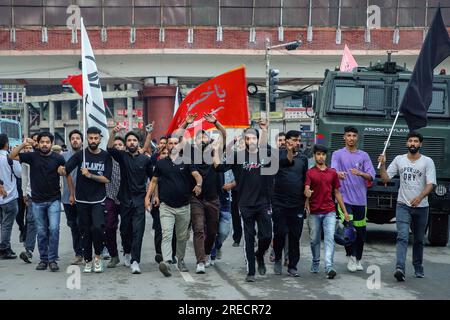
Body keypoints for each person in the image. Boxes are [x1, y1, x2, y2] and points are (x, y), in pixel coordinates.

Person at [212, 122, 292, 282]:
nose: (251, 141)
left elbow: (287, 161)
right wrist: (215, 150)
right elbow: (218, 167)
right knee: (249, 238)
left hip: (264, 204)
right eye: (247, 138)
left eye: (253, 138)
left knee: (267, 236)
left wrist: (289, 150)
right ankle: (251, 271)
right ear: (245, 140)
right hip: (245, 204)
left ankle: (259, 255)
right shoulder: (238, 156)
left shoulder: (268, 154)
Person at [378, 132, 436, 281]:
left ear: (420, 144)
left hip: (422, 207)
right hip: (403, 205)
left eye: (416, 141)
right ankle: (400, 268)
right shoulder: (399, 159)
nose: (413, 143)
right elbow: (385, 178)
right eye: (410, 141)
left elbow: (431, 184)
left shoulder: (427, 161)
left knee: (418, 240)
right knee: (402, 237)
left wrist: (420, 197)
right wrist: (382, 164)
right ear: (406, 143)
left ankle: (418, 267)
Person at [145, 134, 203, 277]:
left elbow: (197, 175)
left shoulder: (187, 161)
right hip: (166, 206)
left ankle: (180, 260)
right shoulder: (161, 163)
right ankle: (167, 262)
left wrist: (199, 184)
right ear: (167, 146)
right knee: (167, 234)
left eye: (175, 143)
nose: (172, 145)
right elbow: (153, 181)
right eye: (170, 143)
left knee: (182, 236)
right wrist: (148, 197)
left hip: (184, 206)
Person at [178, 113, 226, 274]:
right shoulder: (190, 152)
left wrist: (216, 122)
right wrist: (186, 123)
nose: (202, 140)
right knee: (198, 228)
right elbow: (179, 137)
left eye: (204, 137)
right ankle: (200, 261)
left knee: (212, 231)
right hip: (196, 198)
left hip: (213, 198)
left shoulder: (216, 152)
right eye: (199, 138)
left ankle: (206, 252)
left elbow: (224, 134)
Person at [10, 132, 65, 272]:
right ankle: (43, 260)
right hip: (37, 201)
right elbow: (12, 156)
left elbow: (66, 172)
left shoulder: (58, 158)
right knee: (41, 232)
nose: (45, 144)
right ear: (38, 143)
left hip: (54, 200)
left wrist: (63, 174)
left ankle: (52, 260)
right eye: (42, 142)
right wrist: (24, 144)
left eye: (47, 142)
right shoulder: (32, 156)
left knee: (53, 229)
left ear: (51, 144)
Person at [62, 127, 112, 273]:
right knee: (84, 231)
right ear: (87, 139)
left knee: (97, 228)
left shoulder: (105, 156)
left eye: (96, 138)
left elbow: (107, 179)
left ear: (100, 139)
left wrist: (90, 175)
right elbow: (66, 170)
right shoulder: (80, 155)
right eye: (90, 138)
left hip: (98, 198)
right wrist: (61, 170)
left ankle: (98, 257)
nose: (93, 141)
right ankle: (88, 259)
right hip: (82, 199)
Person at [107, 125, 153, 274]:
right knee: (125, 230)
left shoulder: (145, 160)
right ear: (126, 144)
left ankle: (135, 261)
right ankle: (126, 252)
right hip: (125, 200)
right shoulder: (122, 157)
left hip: (140, 200)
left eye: (134, 140)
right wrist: (113, 133)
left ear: (138, 143)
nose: (132, 142)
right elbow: (109, 149)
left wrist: (152, 197)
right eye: (129, 140)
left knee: (138, 231)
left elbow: (153, 179)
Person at [331, 126, 375, 272]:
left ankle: (358, 259)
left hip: (361, 201)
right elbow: (333, 170)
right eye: (348, 135)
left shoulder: (364, 156)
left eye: (354, 136)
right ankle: (350, 257)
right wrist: (338, 174)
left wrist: (360, 173)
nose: (351, 138)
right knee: (349, 230)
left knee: (360, 232)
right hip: (344, 200)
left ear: (357, 138)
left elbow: (371, 176)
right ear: (344, 137)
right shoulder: (337, 154)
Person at [305, 144, 349, 279]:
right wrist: (307, 193)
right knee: (314, 240)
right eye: (318, 154)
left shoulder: (332, 173)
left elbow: (337, 192)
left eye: (323, 154)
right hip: (314, 212)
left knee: (329, 239)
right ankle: (315, 261)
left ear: (326, 156)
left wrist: (345, 211)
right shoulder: (310, 172)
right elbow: (306, 188)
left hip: (329, 211)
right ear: (314, 156)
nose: (321, 157)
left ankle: (329, 266)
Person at [272, 130, 308, 277]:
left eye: (299, 140)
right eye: (294, 140)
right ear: (287, 141)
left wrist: (306, 201)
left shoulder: (304, 159)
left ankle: (293, 265)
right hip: (279, 203)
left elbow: (306, 180)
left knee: (295, 235)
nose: (297, 143)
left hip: (297, 204)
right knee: (279, 233)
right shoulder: (277, 156)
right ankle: (278, 259)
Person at [61, 129, 84, 265]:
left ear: (82, 141)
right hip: (67, 197)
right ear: (70, 141)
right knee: (73, 226)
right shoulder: (63, 156)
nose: (75, 140)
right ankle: (78, 253)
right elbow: (59, 170)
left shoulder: (86, 155)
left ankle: (89, 250)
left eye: (78, 138)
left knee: (84, 225)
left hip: (84, 197)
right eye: (73, 138)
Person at [0, 134, 22, 260]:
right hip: (10, 195)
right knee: (7, 224)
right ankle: (4, 248)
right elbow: (19, 174)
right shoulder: (10, 158)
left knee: (2, 224)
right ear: (6, 144)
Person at [104, 136, 124, 268]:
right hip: (109, 197)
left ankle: (129, 253)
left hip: (125, 198)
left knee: (127, 229)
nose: (117, 146)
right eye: (115, 145)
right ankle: (114, 255)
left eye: (120, 144)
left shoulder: (127, 160)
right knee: (108, 227)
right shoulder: (106, 160)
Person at [19, 143, 37, 263]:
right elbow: (24, 176)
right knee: (31, 221)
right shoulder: (25, 161)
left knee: (50, 225)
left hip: (49, 195)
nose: (28, 150)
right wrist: (24, 192)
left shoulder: (43, 157)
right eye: (26, 148)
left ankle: (51, 252)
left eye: (30, 148)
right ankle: (29, 250)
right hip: (31, 195)